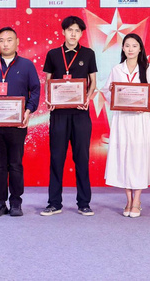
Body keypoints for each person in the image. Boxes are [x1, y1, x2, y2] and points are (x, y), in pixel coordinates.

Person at [0, 27, 40, 217]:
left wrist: (28, 110)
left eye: (9, 40)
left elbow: (35, 90)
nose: (5, 43)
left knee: (16, 164)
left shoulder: (27, 65)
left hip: (17, 124)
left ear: (17, 42)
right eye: (1, 40)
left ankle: (16, 202)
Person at [41, 15, 98, 216]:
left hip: (81, 114)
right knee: (57, 158)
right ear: (63, 32)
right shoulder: (53, 54)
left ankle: (84, 202)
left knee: (81, 158)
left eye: (77, 31)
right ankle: (54, 203)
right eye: (70, 30)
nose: (73, 34)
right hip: (59, 113)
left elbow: (93, 82)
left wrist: (87, 99)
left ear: (81, 34)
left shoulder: (88, 54)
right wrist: (49, 99)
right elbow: (48, 81)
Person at [103, 34, 150, 218]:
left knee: (139, 157)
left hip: (140, 119)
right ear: (123, 48)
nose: (130, 49)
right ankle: (128, 200)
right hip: (122, 119)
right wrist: (112, 93)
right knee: (124, 156)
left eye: (134, 46)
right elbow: (106, 91)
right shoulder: (117, 69)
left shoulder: (148, 69)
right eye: (127, 45)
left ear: (140, 48)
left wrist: (144, 107)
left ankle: (137, 201)